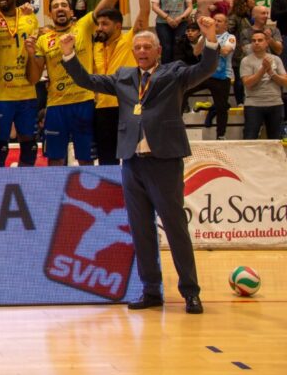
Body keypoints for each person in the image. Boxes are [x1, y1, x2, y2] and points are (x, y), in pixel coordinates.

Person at [59, 16, 220, 315]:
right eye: (138, 47)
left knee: (175, 228)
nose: (142, 51)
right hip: (132, 163)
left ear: (158, 50)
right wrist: (68, 54)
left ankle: (190, 292)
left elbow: (206, 68)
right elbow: (88, 81)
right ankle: (151, 291)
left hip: (165, 162)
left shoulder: (174, 73)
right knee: (141, 230)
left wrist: (210, 38)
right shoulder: (123, 77)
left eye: (148, 46)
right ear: (133, 52)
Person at [26, 0, 118, 166]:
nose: (60, 9)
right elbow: (33, 78)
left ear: (71, 11)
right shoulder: (43, 39)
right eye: (55, 6)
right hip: (56, 106)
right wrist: (30, 55)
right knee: (55, 160)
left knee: (86, 160)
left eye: (64, 5)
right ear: (49, 14)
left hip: (84, 103)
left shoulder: (84, 26)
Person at [92, 0, 152, 165]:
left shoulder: (129, 40)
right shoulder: (96, 47)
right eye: (98, 24)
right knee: (106, 162)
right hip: (101, 110)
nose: (100, 28)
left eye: (105, 24)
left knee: (132, 160)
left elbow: (144, 11)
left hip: (126, 107)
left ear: (118, 26)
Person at [0, 0, 40, 167]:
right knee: (0, 146)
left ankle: (24, 181)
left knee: (30, 145)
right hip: (1, 94)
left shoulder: (29, 17)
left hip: (27, 92)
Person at [190, 13, 235, 140]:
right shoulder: (204, 35)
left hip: (222, 76)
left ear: (226, 25)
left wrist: (213, 40)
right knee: (184, 90)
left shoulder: (230, 37)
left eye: (219, 21)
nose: (216, 22)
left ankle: (221, 135)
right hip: (205, 74)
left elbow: (225, 52)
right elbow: (196, 52)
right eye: (214, 20)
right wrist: (205, 36)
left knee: (222, 107)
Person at [240, 31, 287, 140]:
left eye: (260, 40)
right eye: (254, 41)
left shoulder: (276, 59)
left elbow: (285, 82)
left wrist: (271, 72)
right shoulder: (246, 61)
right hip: (253, 104)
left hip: (275, 103)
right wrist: (263, 69)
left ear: (266, 43)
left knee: (276, 140)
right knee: (250, 138)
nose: (256, 43)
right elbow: (248, 83)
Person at [152, 0, 193, 64]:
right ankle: (166, 69)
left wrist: (181, 18)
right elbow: (154, 6)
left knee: (179, 46)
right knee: (166, 47)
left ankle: (178, 69)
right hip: (163, 23)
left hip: (181, 23)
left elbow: (190, 7)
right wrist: (167, 18)